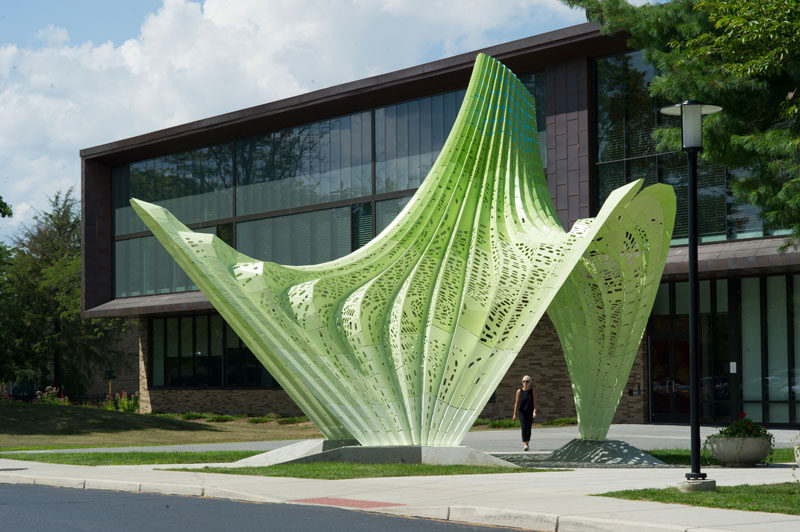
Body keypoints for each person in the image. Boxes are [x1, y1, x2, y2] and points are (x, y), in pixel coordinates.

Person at [512, 375, 537, 451]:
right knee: (524, 427)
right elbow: (516, 403)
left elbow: (535, 403)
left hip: (529, 412)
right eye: (523, 381)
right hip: (521, 412)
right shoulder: (519, 391)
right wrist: (514, 414)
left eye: (527, 381)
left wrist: (534, 411)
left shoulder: (533, 391)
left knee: (528, 428)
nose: (525, 383)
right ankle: (525, 444)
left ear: (530, 382)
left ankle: (527, 443)